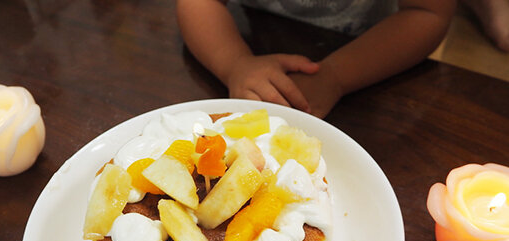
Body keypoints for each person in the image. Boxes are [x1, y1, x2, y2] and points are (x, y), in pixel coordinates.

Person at [176, 0, 456, 118]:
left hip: (373, 58)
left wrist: (336, 76)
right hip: (256, 38)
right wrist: (235, 64)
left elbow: (427, 13)